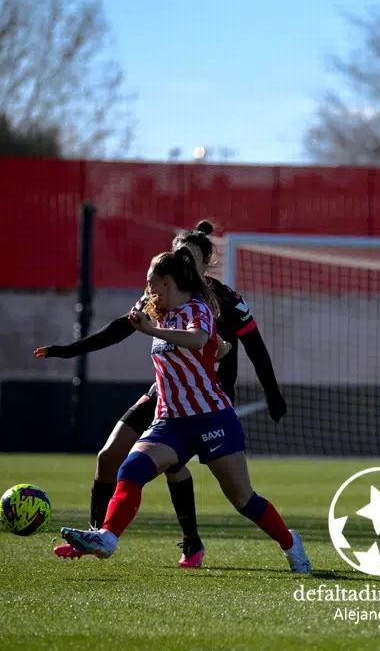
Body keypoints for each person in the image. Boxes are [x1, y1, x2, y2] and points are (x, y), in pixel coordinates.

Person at [35, 220, 286, 567]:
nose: (183, 261)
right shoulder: (159, 296)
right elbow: (121, 328)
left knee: (189, 473)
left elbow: (253, 346)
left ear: (205, 262)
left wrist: (272, 393)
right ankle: (96, 535)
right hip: (166, 394)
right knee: (109, 456)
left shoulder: (222, 299)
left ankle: (192, 543)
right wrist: (68, 351)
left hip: (206, 401)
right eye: (179, 254)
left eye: (190, 256)